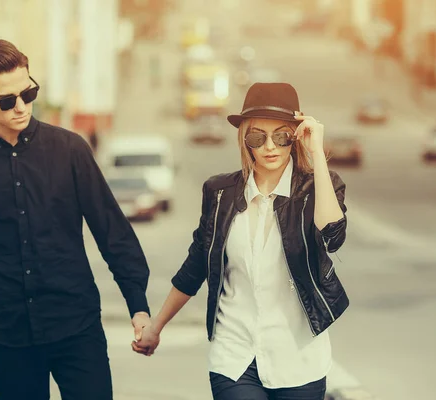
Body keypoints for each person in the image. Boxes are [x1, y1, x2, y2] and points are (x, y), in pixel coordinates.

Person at [0, 39, 152, 400]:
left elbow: (111, 230)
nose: (21, 107)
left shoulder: (71, 150)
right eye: (7, 101)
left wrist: (139, 306)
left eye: (29, 92)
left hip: (77, 327)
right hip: (10, 338)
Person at [133, 82, 350, 399]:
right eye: (257, 136)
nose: (269, 147)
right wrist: (156, 327)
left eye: (281, 136)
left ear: (296, 134)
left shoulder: (319, 187)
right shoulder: (220, 192)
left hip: (299, 359)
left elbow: (333, 236)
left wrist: (317, 152)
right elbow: (197, 264)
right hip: (234, 356)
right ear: (244, 139)